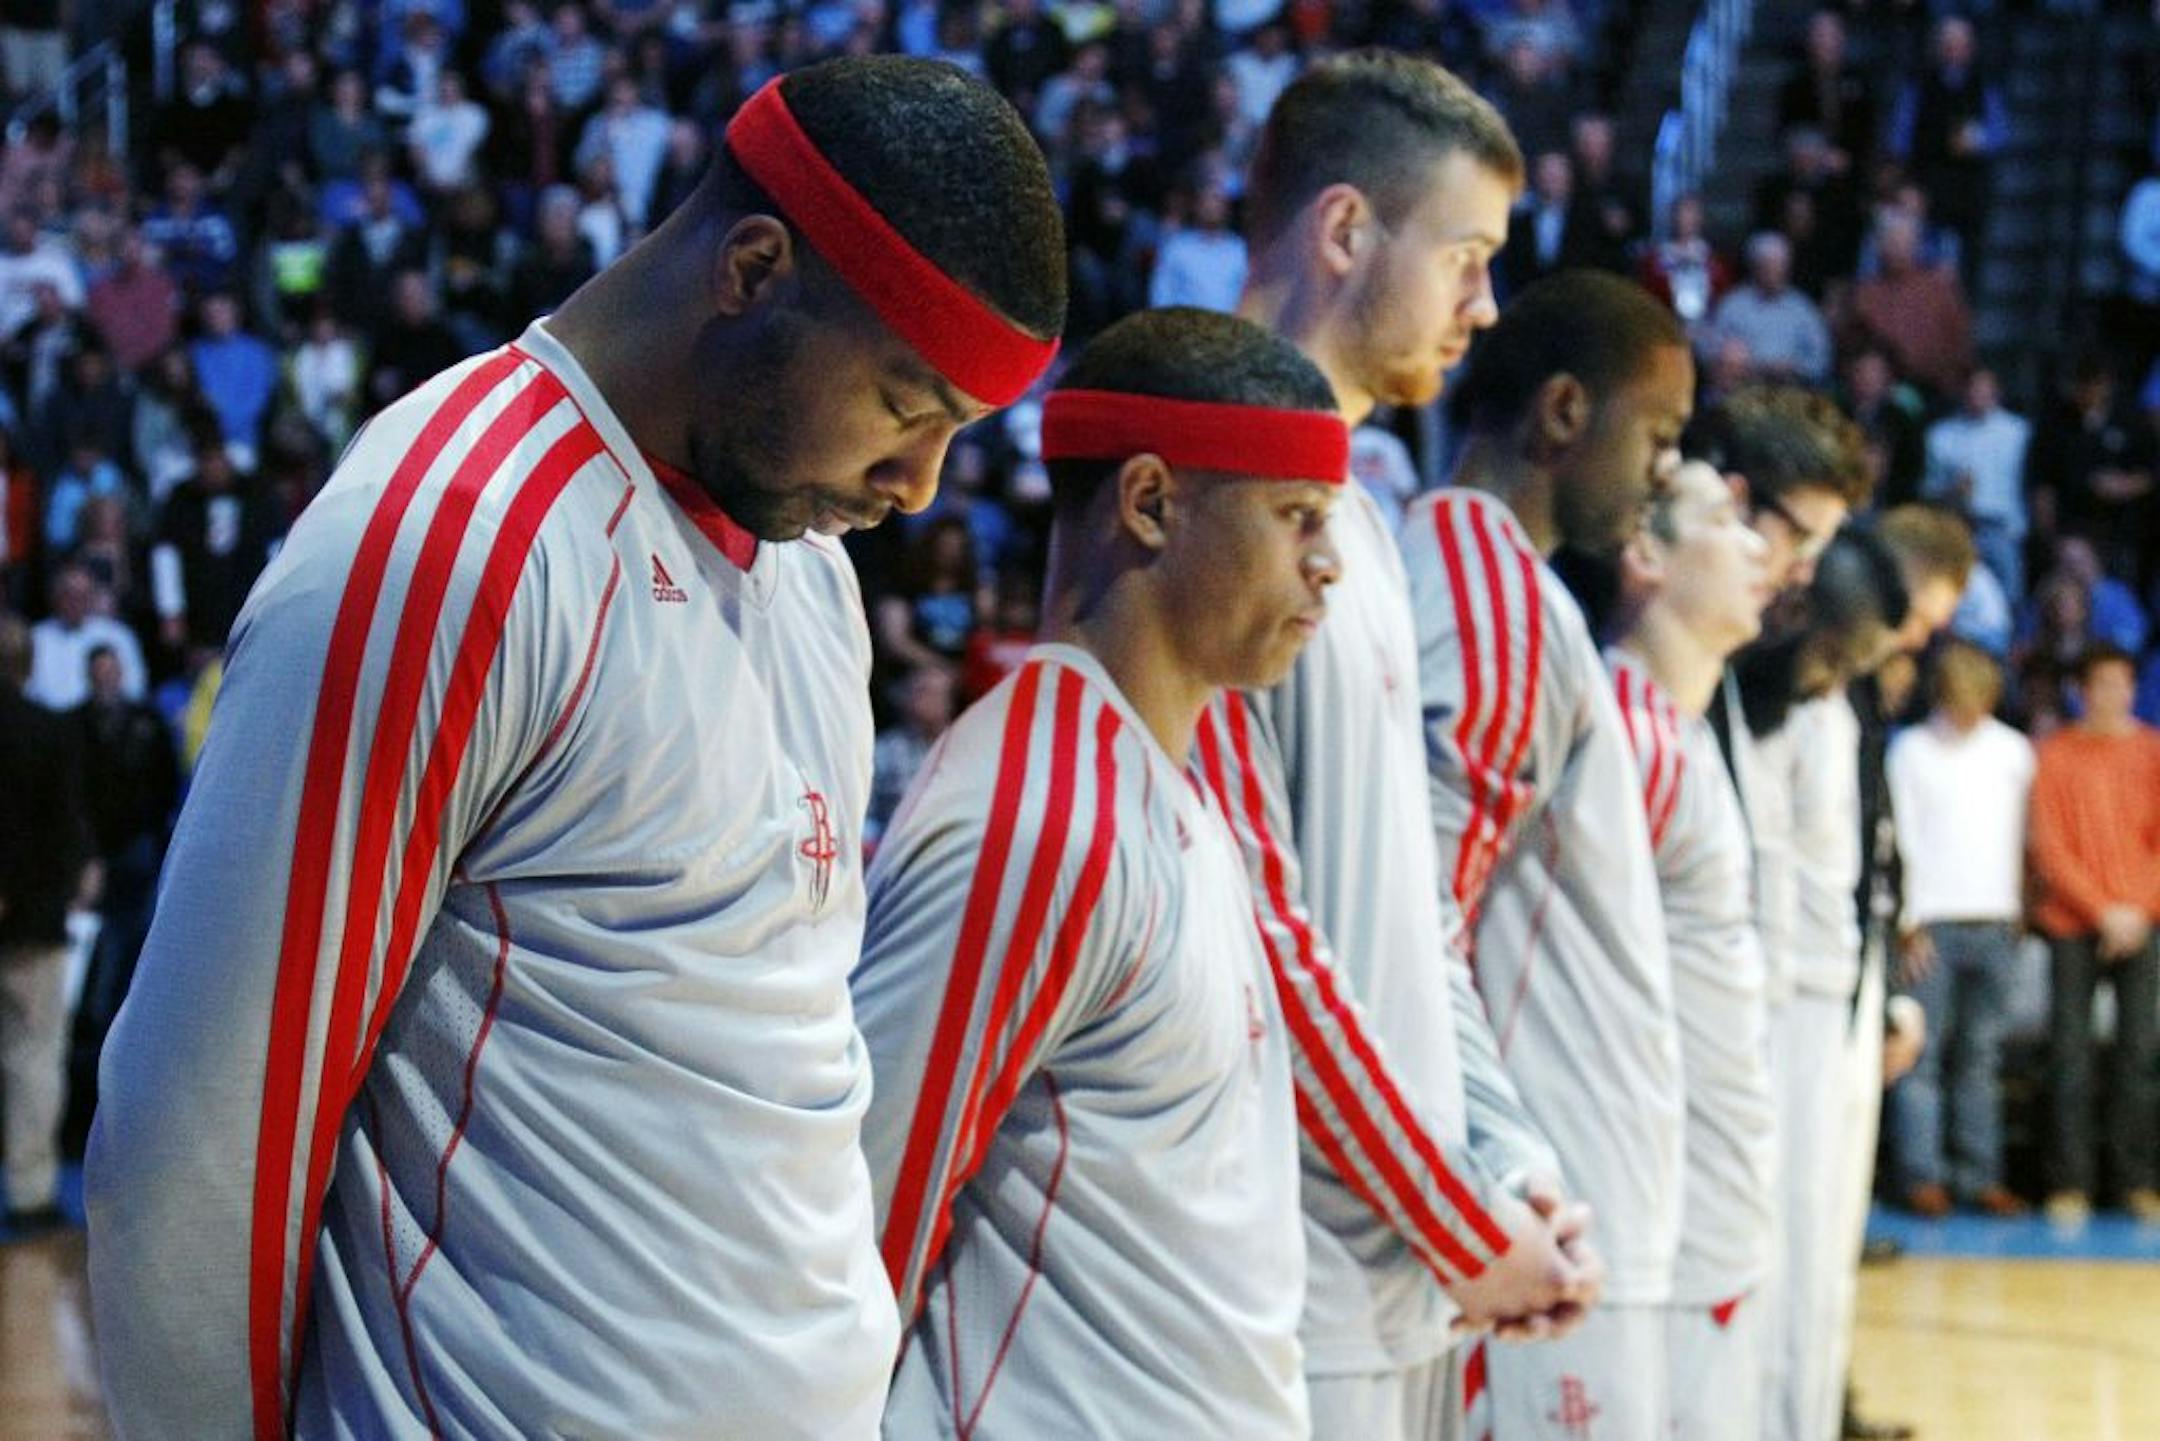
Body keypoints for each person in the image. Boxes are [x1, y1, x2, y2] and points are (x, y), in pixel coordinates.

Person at [86, 56, 1069, 1439]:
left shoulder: (816, 580)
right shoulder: (450, 539)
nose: (921, 488)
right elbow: (195, 1150)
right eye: (910, 409)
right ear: (754, 267)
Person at [1195, 54, 1602, 1441]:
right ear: (1349, 232)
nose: (1488, 307)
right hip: (1270, 1277)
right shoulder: (1211, 503)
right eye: (1470, 258)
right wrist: (1460, 1214)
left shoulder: (1359, 520)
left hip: (1400, 1262)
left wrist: (1505, 1161)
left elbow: (1413, 913)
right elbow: (1262, 928)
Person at [857, 306, 1355, 1435]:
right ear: (1148, 501)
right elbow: (858, 1227)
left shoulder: (1166, 782)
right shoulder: (1039, 817)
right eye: (1297, 517)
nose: (1328, 566)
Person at [1403, 267, 1697, 1441]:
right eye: (1659, 433)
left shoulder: (1495, 584)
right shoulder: (1490, 594)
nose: (1663, 469)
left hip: (1561, 1174)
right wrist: (1489, 1175)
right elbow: (1417, 923)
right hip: (1544, 1180)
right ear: (1567, 414)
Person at [1602, 459, 1777, 1439]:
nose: (1760, 550)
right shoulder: (1624, 735)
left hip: (1715, 1213)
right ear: (1645, 554)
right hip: (1655, 1235)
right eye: (1726, 519)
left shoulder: (1687, 732)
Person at [1885, 640, 2034, 1218]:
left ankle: (1980, 1174)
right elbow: (1899, 841)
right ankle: (1922, 1176)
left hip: (1995, 920)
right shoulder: (1912, 752)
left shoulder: (2013, 752)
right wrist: (1907, 922)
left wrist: (2018, 905)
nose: (1971, 709)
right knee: (1920, 1057)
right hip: (1931, 924)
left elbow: (2021, 834)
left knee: (1981, 1057)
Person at [2028, 644, 2160, 1226]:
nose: (2114, 694)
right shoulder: (2053, 755)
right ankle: (2070, 1182)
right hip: (2073, 924)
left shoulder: (2152, 752)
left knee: (2139, 1055)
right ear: (2083, 689)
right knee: (2069, 1056)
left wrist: (2136, 908)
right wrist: (2102, 910)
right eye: (2103, 683)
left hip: (2142, 922)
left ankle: (2135, 1181)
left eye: (2123, 684)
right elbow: (2048, 846)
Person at [0, 614, 97, 1236]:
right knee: (35, 1058)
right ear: (29, 662)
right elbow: (67, 828)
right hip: (35, 923)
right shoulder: (50, 730)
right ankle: (31, 1193)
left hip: (28, 910)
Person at [1922, 368, 2030, 604]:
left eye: (1984, 389)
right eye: (1973, 389)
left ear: (1997, 392)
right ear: (1963, 391)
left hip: (2003, 530)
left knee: (2009, 600)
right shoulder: (1941, 435)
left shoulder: (2019, 432)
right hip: (1959, 530)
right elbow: (1928, 491)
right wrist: (1953, 491)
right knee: (1958, 599)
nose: (1977, 395)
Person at [26, 559, 147, 710]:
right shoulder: (36, 638)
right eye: (68, 595)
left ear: (92, 597)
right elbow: (28, 690)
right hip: (48, 722)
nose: (75, 602)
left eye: (82, 595)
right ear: (54, 597)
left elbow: (135, 687)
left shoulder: (117, 635)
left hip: (102, 722)